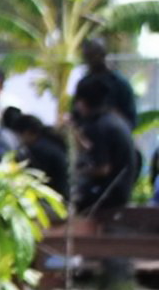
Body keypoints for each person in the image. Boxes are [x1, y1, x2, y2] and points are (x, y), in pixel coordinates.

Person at [72, 76, 138, 216]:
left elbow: (103, 169)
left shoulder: (98, 126)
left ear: (82, 103)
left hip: (109, 194)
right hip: (123, 190)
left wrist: (76, 173)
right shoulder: (114, 120)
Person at [76, 37, 138, 128]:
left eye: (94, 54)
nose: (91, 60)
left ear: (103, 54)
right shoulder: (83, 84)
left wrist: (111, 116)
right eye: (88, 56)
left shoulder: (119, 83)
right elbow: (77, 116)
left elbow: (131, 121)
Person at [13, 114, 71, 201]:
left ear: (27, 132)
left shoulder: (39, 149)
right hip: (63, 196)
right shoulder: (49, 142)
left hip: (54, 201)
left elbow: (32, 177)